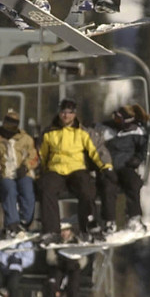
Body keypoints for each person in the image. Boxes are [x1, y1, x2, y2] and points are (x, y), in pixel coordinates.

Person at [38, 97, 114, 241]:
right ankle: (51, 230)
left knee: (86, 188)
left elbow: (97, 150)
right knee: (46, 187)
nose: (66, 116)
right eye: (63, 112)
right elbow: (41, 155)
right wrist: (39, 171)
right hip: (56, 169)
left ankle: (89, 226)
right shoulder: (49, 133)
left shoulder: (83, 132)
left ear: (74, 114)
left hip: (76, 169)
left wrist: (106, 167)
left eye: (70, 113)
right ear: (59, 113)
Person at [94, 103, 150, 233]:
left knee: (134, 182)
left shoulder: (136, 131)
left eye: (119, 119)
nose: (116, 121)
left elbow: (144, 147)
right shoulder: (105, 129)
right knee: (108, 186)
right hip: (108, 167)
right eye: (115, 118)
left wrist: (138, 158)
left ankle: (133, 218)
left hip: (126, 166)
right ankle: (109, 221)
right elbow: (91, 140)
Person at [0, 109, 38, 236]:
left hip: (22, 173)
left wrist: (26, 167)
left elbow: (33, 156)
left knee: (27, 190)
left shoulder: (25, 139)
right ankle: (12, 223)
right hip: (5, 174)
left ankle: (25, 220)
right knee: (9, 190)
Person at [42, 220, 88, 297]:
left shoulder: (77, 241)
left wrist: (77, 264)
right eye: (62, 231)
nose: (64, 233)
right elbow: (50, 257)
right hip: (59, 267)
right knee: (53, 283)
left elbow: (84, 258)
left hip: (73, 268)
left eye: (66, 230)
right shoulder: (55, 242)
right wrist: (59, 261)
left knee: (73, 286)